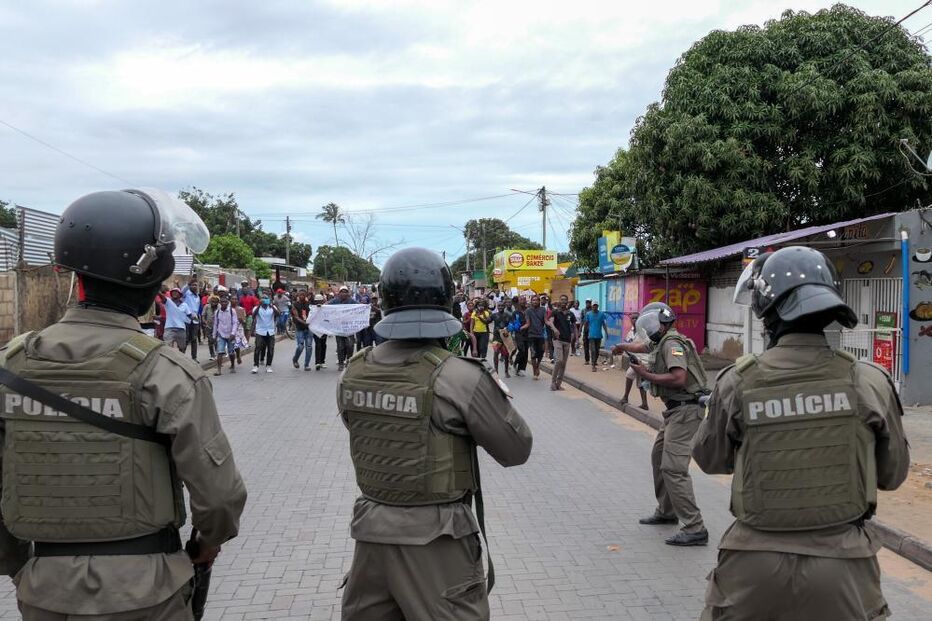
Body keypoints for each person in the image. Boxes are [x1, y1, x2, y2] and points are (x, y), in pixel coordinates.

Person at [0, 188, 247, 619]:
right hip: (148, 592)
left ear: (72, 272)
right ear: (152, 280)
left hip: (44, 591)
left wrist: (21, 567)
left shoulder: (10, 366)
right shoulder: (166, 373)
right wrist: (204, 548)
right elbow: (220, 497)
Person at [693, 247, 910, 619]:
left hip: (752, 567)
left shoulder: (737, 381)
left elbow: (710, 460)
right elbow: (892, 475)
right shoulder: (868, 380)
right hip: (843, 565)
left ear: (767, 311)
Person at [338, 247, 533, 620]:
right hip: (437, 540)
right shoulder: (460, 377)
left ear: (385, 300)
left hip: (371, 532)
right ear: (446, 300)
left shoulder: (355, 370)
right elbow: (516, 449)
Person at [612, 303, 709, 546]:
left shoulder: (672, 344)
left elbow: (678, 378)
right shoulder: (661, 341)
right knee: (658, 458)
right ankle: (667, 512)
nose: (650, 331)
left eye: (652, 326)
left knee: (673, 468)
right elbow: (642, 347)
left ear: (662, 325)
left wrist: (645, 374)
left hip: (686, 411)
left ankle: (695, 527)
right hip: (675, 411)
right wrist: (622, 346)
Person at [621, 312, 649, 410]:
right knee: (639, 381)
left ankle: (626, 397)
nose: (634, 320)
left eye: (636, 318)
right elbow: (627, 344)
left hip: (644, 359)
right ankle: (644, 403)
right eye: (632, 318)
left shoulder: (644, 332)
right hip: (635, 359)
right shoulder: (631, 332)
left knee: (632, 375)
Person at [546, 297, 574, 391]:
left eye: (565, 300)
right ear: (559, 301)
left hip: (567, 341)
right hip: (557, 339)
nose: (563, 301)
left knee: (563, 364)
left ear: (567, 302)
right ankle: (553, 382)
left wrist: (576, 337)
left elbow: (574, 326)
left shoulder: (570, 314)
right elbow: (550, 322)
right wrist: (555, 329)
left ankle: (558, 384)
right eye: (561, 299)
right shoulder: (555, 312)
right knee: (559, 360)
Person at [328, 286, 358, 371]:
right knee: (340, 346)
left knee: (350, 345)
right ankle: (341, 363)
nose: (344, 293)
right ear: (339, 293)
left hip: (349, 327)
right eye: (342, 292)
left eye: (345, 292)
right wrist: (320, 306)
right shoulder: (335, 301)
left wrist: (366, 306)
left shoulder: (352, 301)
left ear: (348, 293)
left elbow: (360, 307)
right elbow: (326, 306)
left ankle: (349, 361)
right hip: (338, 328)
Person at [521, 295, 547, 381]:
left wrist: (553, 328)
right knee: (533, 354)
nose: (535, 301)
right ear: (531, 301)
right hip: (531, 335)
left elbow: (546, 321)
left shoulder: (543, 309)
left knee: (541, 352)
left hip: (541, 335)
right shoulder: (528, 311)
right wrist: (520, 328)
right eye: (533, 300)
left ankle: (537, 365)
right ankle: (534, 372)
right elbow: (528, 323)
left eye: (536, 300)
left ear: (539, 301)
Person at [212, 293, 239, 376]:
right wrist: (214, 335)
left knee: (231, 352)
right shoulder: (217, 312)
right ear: (220, 303)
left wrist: (233, 333)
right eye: (222, 302)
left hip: (230, 334)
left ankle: (233, 365)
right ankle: (219, 370)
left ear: (227, 302)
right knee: (220, 352)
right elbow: (215, 324)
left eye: (225, 302)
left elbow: (235, 323)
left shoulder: (232, 311)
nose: (223, 303)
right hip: (221, 334)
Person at [251, 296, 279, 374]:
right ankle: (255, 366)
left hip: (270, 331)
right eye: (263, 299)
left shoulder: (272, 307)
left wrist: (272, 306)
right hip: (260, 331)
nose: (265, 300)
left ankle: (268, 365)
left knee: (271, 349)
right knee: (258, 348)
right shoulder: (257, 308)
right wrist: (259, 305)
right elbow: (253, 316)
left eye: (266, 299)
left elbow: (278, 314)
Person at [163, 287, 195, 351]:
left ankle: (181, 356)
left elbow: (189, 315)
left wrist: (193, 318)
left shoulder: (184, 305)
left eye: (176, 292)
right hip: (169, 328)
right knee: (167, 346)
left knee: (182, 347)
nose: (174, 293)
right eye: (173, 292)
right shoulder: (168, 302)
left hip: (181, 328)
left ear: (180, 295)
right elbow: (162, 298)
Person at [180, 278, 202, 361]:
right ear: (190, 286)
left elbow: (197, 309)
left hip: (195, 320)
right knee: (185, 339)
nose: (194, 286)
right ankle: (181, 357)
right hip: (186, 319)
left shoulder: (197, 296)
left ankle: (194, 358)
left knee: (194, 339)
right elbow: (182, 291)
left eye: (196, 285)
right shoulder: (186, 293)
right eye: (193, 285)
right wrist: (188, 284)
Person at [291, 290, 313, 370]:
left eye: (303, 295)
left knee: (309, 347)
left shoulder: (309, 305)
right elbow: (296, 316)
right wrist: (304, 323)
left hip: (309, 329)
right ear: (298, 295)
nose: (302, 296)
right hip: (300, 328)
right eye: (300, 295)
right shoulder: (295, 304)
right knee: (300, 346)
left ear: (306, 295)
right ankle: (295, 359)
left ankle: (306, 365)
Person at [491, 302, 514, 377]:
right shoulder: (494, 315)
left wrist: (508, 330)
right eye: (499, 306)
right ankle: (496, 371)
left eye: (502, 306)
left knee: (506, 355)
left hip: (505, 337)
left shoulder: (508, 315)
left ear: (504, 306)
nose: (500, 307)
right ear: (497, 307)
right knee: (496, 353)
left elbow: (511, 325)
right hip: (496, 337)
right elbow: (486, 321)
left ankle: (506, 371)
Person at [582, 302, 607, 372]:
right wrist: (585, 332)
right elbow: (586, 323)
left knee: (597, 351)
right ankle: (593, 365)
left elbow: (603, 324)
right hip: (591, 335)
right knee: (593, 350)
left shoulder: (601, 314)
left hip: (599, 335)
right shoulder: (588, 314)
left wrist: (606, 332)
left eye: (596, 306)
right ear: (592, 306)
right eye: (593, 306)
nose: (595, 307)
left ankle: (594, 362)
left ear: (598, 306)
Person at [310, 293, 329, 371]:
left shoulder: (326, 309)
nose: (318, 302)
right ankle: (317, 362)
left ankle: (322, 361)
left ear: (322, 301)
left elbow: (328, 318)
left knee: (323, 345)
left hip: (324, 329)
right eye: (317, 301)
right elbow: (310, 318)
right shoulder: (312, 309)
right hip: (316, 330)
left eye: (320, 301)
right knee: (318, 344)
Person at [202, 294, 220, 361]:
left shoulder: (219, 307)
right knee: (210, 341)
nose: (214, 303)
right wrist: (205, 322)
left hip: (217, 327)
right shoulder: (206, 306)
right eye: (212, 301)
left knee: (216, 341)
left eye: (215, 301)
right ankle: (212, 355)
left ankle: (218, 354)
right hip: (208, 326)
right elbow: (203, 315)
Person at [581, 299, 593, 364]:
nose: (588, 304)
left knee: (592, 346)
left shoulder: (593, 310)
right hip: (585, 330)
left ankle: (594, 360)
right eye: (587, 302)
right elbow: (582, 321)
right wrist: (580, 330)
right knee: (586, 345)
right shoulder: (583, 310)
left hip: (592, 330)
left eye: (589, 302)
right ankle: (587, 360)